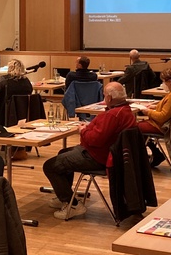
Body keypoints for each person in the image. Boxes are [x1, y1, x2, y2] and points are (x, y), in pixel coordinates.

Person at [43, 82, 136, 219]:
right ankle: (64, 195)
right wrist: (90, 127)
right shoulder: (126, 111)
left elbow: (94, 140)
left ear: (109, 98)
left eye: (104, 95)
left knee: (50, 166)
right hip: (108, 154)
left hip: (97, 157)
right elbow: (103, 132)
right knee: (63, 154)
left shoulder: (112, 115)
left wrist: (83, 130)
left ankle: (72, 204)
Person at [136, 68, 171, 166]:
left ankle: (142, 158)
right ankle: (155, 153)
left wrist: (148, 112)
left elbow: (162, 117)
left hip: (162, 126)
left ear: (170, 81)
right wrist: (155, 106)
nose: (163, 84)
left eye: (164, 81)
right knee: (140, 128)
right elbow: (168, 107)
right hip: (167, 124)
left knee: (134, 127)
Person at [0, 59, 33, 131]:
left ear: (10, 68)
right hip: (23, 114)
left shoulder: (4, 80)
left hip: (4, 115)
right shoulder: (26, 81)